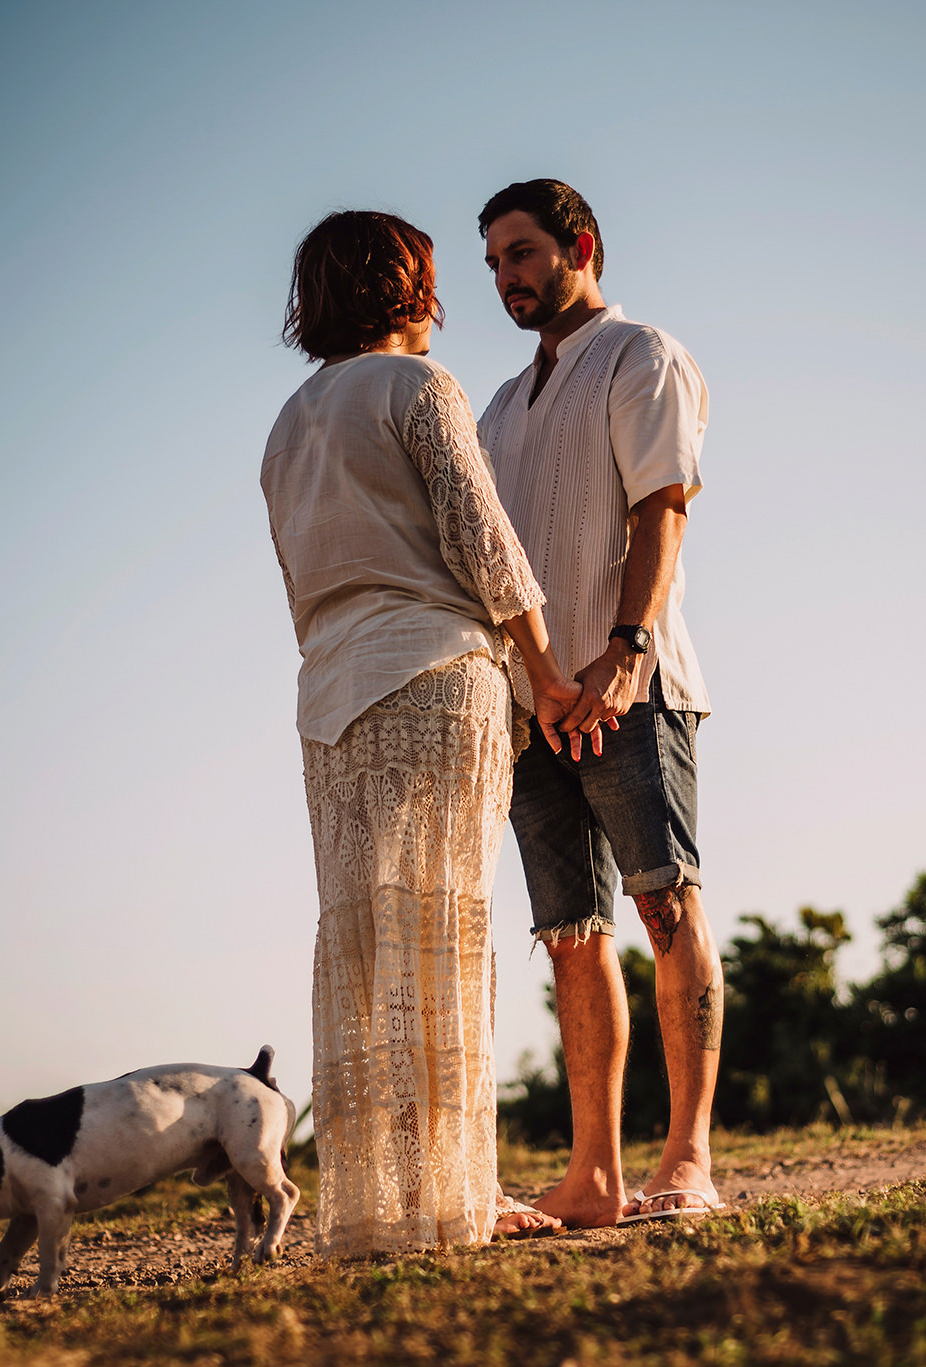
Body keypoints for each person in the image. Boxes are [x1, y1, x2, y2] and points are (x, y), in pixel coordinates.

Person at [262, 210, 581, 1256]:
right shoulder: (417, 388)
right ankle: (460, 1197)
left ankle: (378, 1205)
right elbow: (484, 542)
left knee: (363, 939)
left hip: (326, 701)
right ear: (408, 285)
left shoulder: (285, 427)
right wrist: (543, 670)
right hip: (437, 676)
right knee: (446, 926)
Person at [475, 180, 724, 1227]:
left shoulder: (639, 355)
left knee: (665, 903)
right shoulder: (492, 405)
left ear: (582, 245)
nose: (506, 278)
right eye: (491, 263)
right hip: (533, 706)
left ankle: (687, 1158)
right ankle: (592, 1175)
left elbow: (661, 506)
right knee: (572, 934)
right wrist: (528, 687)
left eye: (522, 253)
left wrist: (621, 653)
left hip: (628, 684)